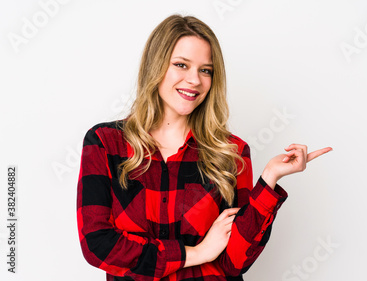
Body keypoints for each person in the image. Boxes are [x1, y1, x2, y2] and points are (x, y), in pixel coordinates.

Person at [76, 14, 332, 281]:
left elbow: (235, 262)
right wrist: (196, 253)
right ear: (156, 66)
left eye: (205, 70)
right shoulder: (105, 142)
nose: (195, 80)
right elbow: (98, 245)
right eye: (181, 65)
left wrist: (269, 179)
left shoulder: (231, 151)